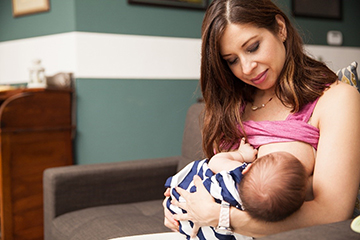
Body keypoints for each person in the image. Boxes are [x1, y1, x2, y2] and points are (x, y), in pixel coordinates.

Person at [163, 0, 360, 238]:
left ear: (280, 28)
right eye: (232, 60)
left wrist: (221, 216)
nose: (246, 68)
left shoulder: (336, 99)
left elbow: (332, 212)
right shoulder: (233, 104)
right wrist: (183, 202)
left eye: (253, 47)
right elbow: (218, 178)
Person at [165, 139, 308, 240]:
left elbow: (215, 161)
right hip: (196, 228)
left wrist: (241, 155)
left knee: (205, 169)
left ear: (249, 168)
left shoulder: (236, 174)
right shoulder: (254, 222)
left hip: (181, 202)